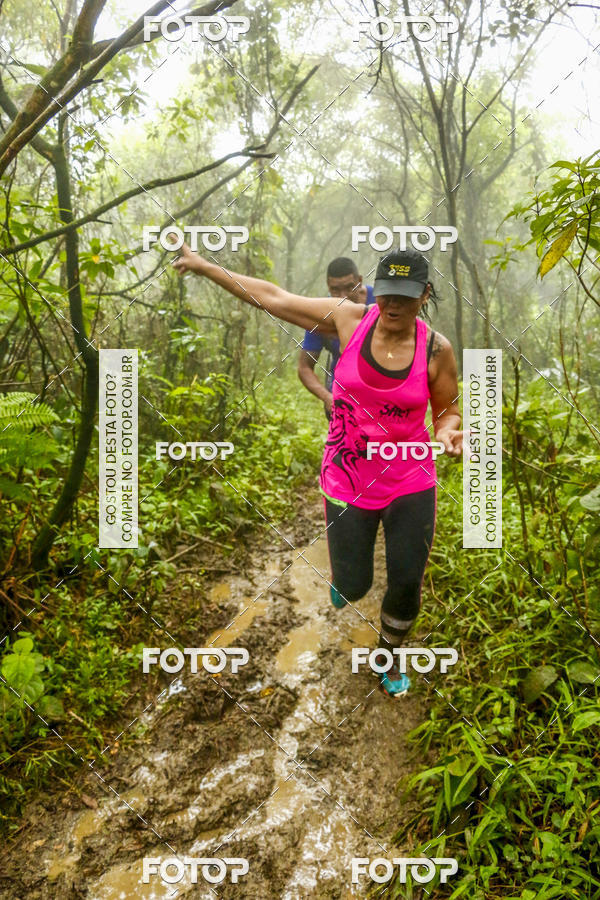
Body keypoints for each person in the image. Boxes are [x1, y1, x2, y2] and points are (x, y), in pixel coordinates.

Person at [172, 244, 463, 698]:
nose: (393, 306)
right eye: (387, 294)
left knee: (406, 582)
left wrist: (448, 432)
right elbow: (273, 296)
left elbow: (447, 411)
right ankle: (347, 580)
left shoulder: (436, 349)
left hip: (409, 478)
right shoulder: (347, 318)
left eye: (405, 296)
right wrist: (205, 266)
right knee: (353, 583)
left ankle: (388, 658)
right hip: (347, 478)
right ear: (375, 290)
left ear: (424, 294)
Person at [298, 257, 375, 419]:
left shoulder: (381, 301)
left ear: (359, 281)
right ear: (328, 287)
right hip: (341, 396)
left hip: (381, 397)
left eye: (349, 288)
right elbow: (305, 367)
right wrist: (327, 397)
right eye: (335, 290)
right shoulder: (320, 314)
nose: (343, 297)